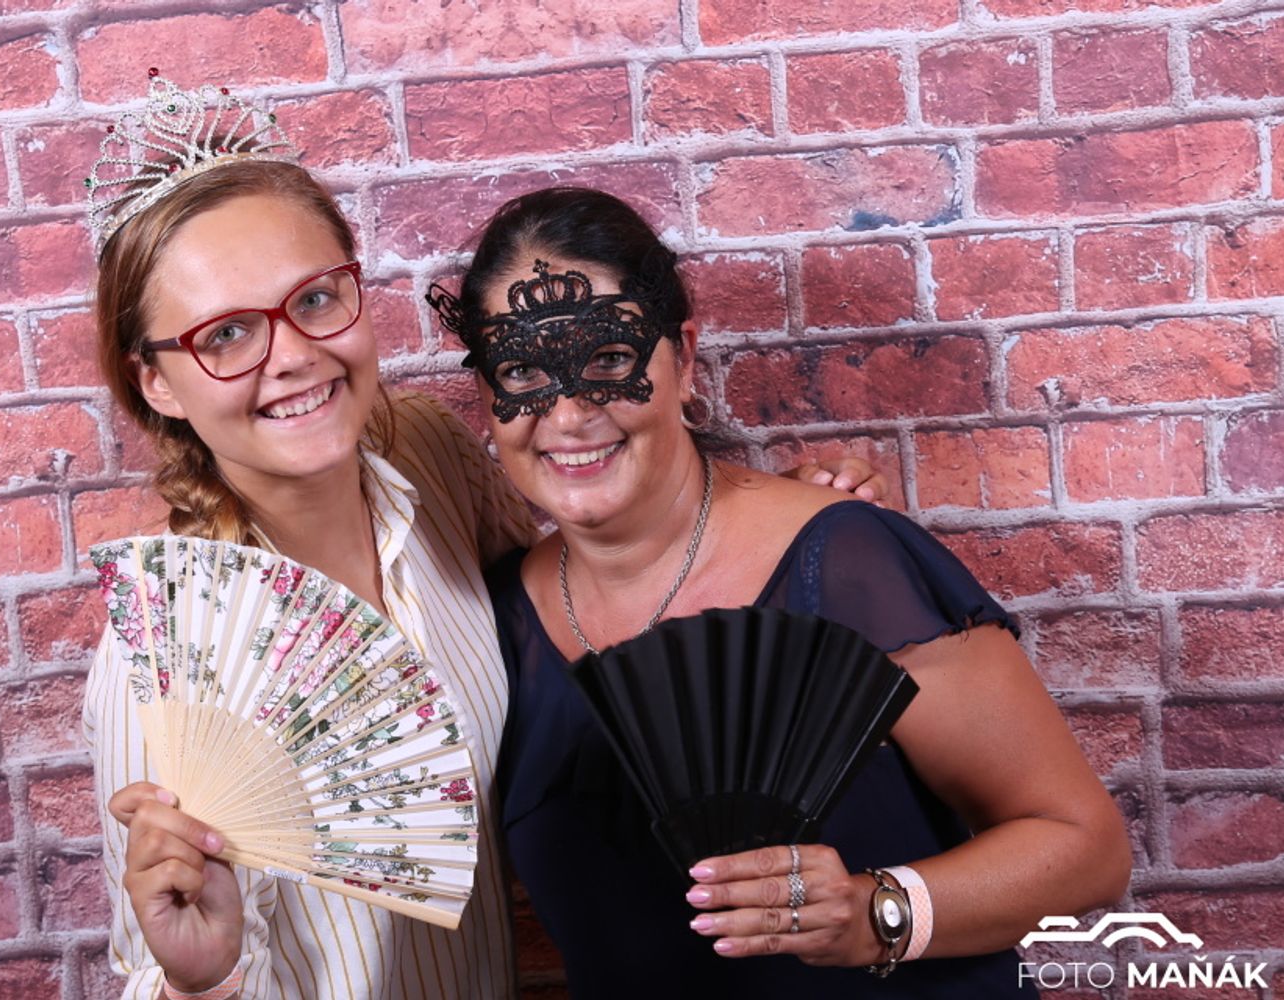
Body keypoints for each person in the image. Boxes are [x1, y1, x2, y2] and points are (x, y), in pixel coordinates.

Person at [80, 78, 884, 1000]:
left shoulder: (424, 454)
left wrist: (783, 528)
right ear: (157, 383)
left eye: (314, 299)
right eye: (225, 335)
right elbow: (161, 953)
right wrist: (201, 978)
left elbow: (573, 591)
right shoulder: (159, 663)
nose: (292, 355)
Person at [428, 186, 1133, 997]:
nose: (567, 414)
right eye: (521, 369)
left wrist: (872, 913)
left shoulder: (843, 562)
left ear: (683, 357)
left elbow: (1086, 849)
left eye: (609, 360)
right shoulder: (493, 628)